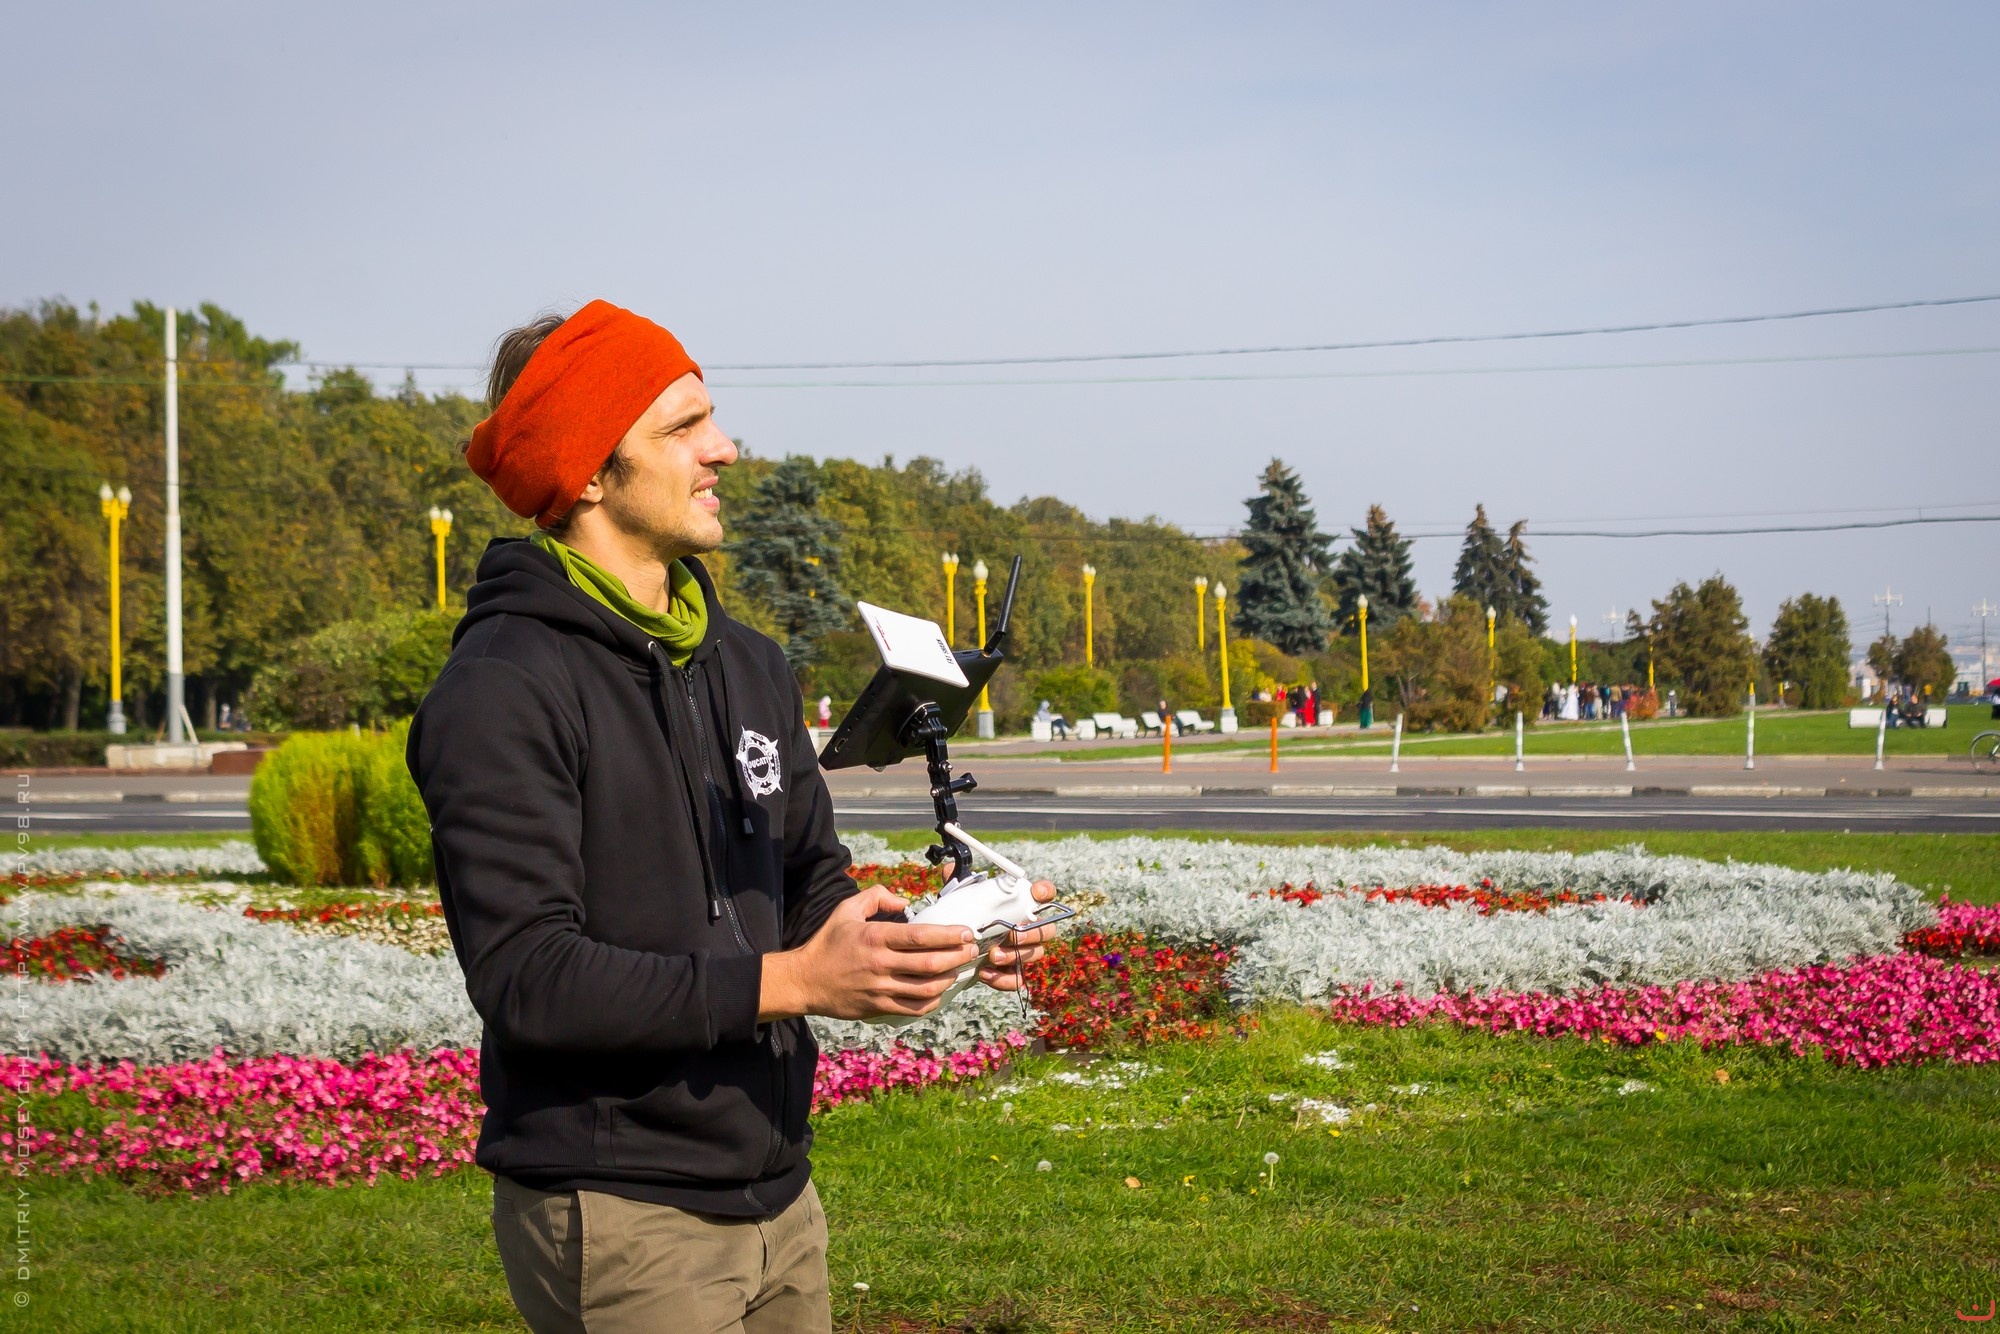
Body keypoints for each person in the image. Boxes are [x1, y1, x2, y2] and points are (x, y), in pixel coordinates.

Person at [408, 301, 1057, 1334]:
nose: (725, 449)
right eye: (683, 427)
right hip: (620, 1213)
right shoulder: (502, 686)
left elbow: (805, 876)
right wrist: (798, 981)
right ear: (588, 471)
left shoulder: (746, 661)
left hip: (779, 1194)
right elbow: (529, 978)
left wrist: (921, 942)